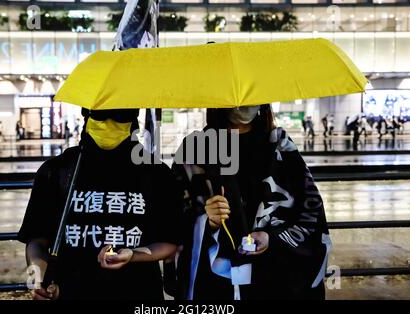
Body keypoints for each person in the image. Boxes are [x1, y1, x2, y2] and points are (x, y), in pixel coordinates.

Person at [18, 108, 182, 300]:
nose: (109, 121)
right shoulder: (56, 171)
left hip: (138, 292)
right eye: (101, 114)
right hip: (69, 292)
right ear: (87, 114)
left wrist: (134, 255)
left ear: (133, 119)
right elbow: (37, 239)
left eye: (120, 114)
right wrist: (39, 279)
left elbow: (170, 241)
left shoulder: (157, 174)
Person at [170, 105, 331, 300]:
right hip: (218, 285)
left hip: (274, 278)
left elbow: (310, 209)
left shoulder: (280, 146)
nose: (245, 104)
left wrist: (273, 237)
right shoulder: (194, 149)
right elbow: (173, 217)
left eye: (252, 95)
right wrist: (208, 221)